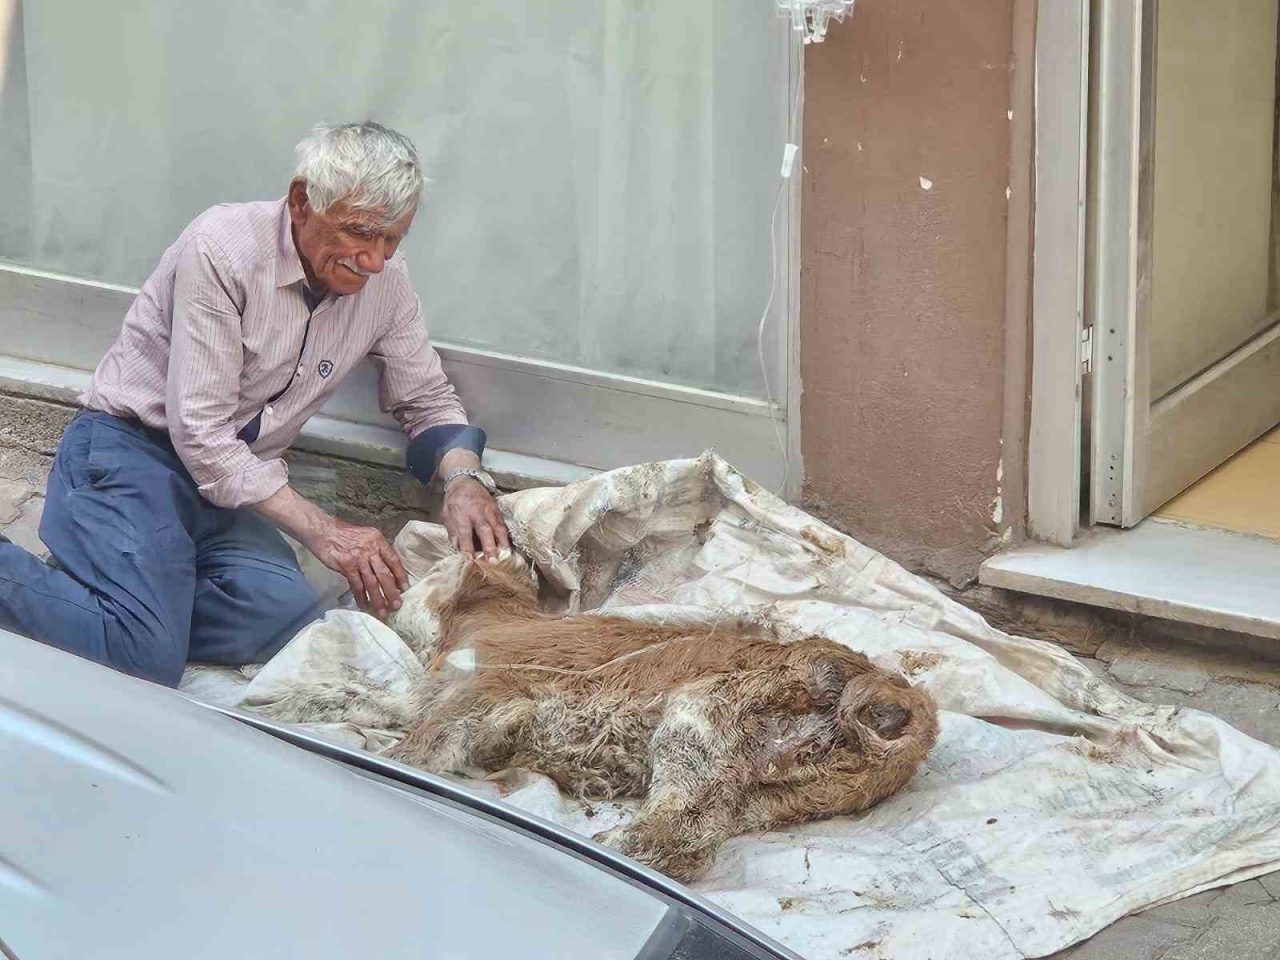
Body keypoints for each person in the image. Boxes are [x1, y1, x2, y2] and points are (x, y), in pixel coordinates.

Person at [0, 121, 509, 686]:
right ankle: (119, 607)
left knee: (287, 618)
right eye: (361, 233)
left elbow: (427, 397)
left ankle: (113, 595)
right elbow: (200, 433)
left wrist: (464, 479)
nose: (375, 261)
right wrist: (325, 531)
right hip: (132, 454)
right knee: (143, 659)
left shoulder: (386, 282)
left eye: (394, 239)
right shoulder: (222, 248)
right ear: (301, 201)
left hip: (227, 490)